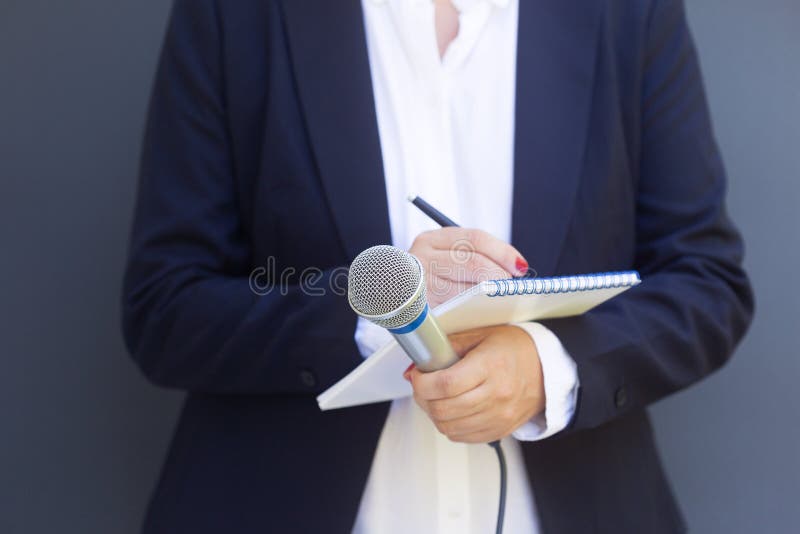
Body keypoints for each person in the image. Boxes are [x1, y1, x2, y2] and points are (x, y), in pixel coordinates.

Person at [122, 0, 753, 532]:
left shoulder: (626, 11)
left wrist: (548, 368)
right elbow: (166, 306)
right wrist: (382, 302)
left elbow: (707, 281)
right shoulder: (239, 13)